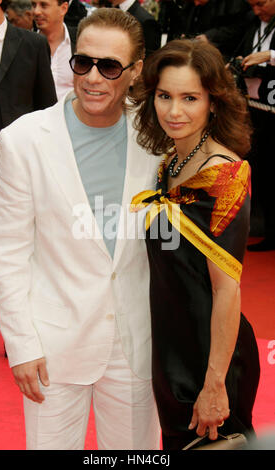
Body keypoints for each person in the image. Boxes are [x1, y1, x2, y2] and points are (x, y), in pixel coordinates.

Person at [0, 8, 161, 450]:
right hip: (53, 344)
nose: (93, 78)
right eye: (83, 62)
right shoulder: (24, 139)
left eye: (109, 66)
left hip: (136, 342)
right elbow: (8, 250)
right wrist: (22, 344)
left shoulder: (157, 135)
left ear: (136, 69)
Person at [130, 38, 260, 450]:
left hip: (210, 357)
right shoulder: (171, 163)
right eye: (165, 96)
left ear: (213, 102)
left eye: (190, 98)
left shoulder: (225, 176)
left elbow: (227, 289)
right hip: (172, 348)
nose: (174, 111)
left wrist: (215, 385)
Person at [0, 0, 57, 319]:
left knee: (24, 246)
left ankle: (23, 327)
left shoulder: (32, 44)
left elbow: (46, 105)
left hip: (20, 161)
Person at [231, 0, 275, 251]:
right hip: (256, 108)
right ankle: (268, 230)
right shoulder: (251, 23)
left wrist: (270, 56)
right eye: (252, 4)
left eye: (261, 3)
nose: (257, 9)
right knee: (263, 170)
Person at [31, 0, 78, 99]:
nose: (36, 11)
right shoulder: (24, 44)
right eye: (33, 5)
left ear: (63, 8)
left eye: (44, 5)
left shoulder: (80, 41)